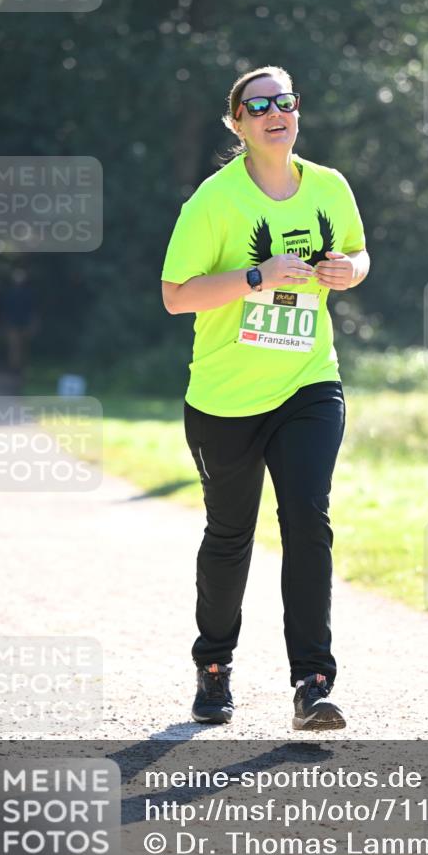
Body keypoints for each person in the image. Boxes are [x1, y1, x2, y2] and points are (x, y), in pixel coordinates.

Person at [160, 65, 370, 730]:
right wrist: (257, 276)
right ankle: (213, 666)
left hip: (308, 381)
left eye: (285, 101)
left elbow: (359, 254)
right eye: (258, 106)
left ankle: (313, 682)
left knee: (307, 518)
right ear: (238, 124)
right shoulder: (213, 201)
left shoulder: (329, 186)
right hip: (224, 397)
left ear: (297, 112)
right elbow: (176, 295)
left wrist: (349, 270)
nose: (275, 112)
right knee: (230, 535)